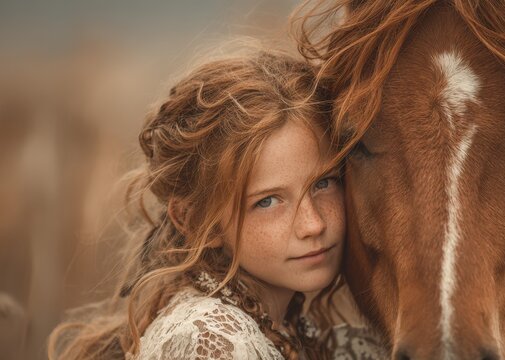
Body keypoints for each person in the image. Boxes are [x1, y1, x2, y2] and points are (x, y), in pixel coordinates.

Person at [49, 49, 360, 360]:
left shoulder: (291, 331)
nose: (313, 224)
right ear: (195, 221)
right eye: (267, 201)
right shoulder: (213, 341)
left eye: (324, 183)